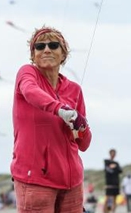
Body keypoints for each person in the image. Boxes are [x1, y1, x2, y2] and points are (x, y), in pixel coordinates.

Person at [11, 26, 93, 213]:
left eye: (53, 45)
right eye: (40, 47)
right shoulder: (27, 73)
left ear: (63, 54)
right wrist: (60, 109)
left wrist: (82, 126)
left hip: (72, 181)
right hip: (35, 180)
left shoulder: (74, 89)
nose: (46, 49)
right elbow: (31, 91)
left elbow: (84, 144)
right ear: (33, 55)